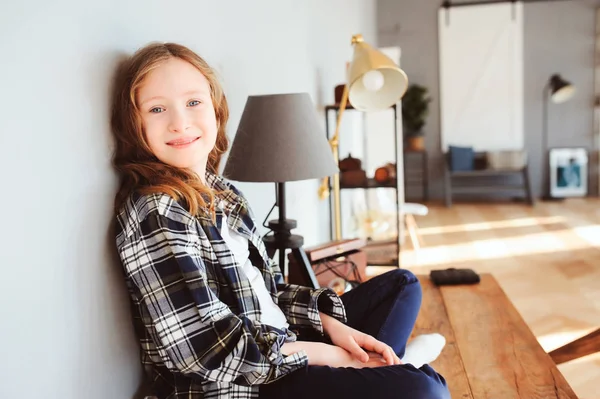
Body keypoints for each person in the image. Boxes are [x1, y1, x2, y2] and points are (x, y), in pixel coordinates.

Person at [110, 41, 449, 399]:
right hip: (246, 384)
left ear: (216, 109)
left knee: (402, 286)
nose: (180, 122)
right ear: (136, 125)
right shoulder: (158, 212)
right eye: (157, 109)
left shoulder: (223, 194)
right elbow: (207, 349)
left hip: (282, 340)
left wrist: (331, 327)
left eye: (193, 102)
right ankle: (396, 368)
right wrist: (333, 357)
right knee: (427, 390)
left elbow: (270, 294)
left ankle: (386, 369)